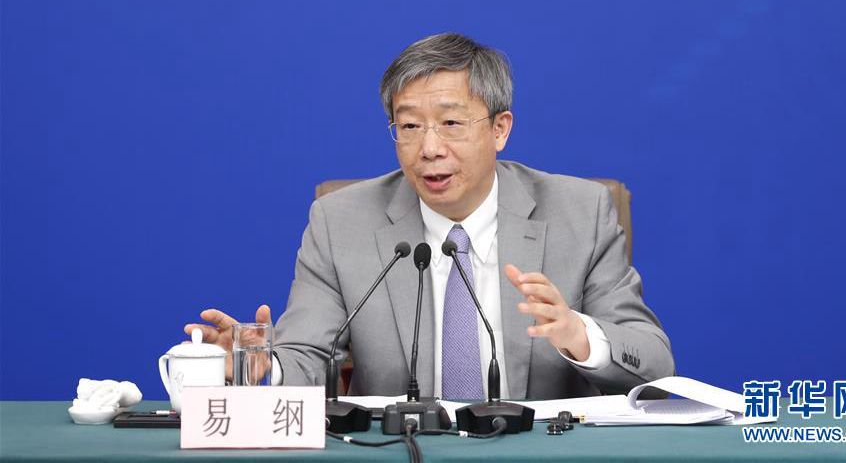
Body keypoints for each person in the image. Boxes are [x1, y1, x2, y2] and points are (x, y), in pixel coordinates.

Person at [186, 33, 674, 399]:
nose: (429, 148)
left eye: (451, 123)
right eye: (409, 127)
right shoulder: (341, 222)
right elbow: (309, 354)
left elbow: (654, 362)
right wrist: (260, 366)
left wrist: (579, 335)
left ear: (500, 129)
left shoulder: (580, 212)